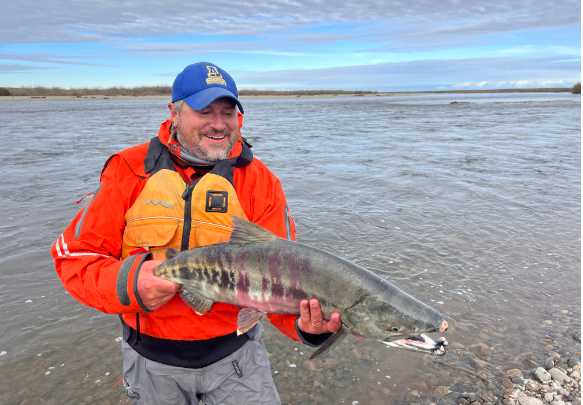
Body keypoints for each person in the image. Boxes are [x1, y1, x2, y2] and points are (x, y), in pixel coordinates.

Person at [51, 62, 341, 405]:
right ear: (175, 112)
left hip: (238, 360)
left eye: (227, 111)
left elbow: (281, 283)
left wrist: (308, 328)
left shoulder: (261, 182)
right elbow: (75, 259)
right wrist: (130, 281)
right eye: (205, 111)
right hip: (152, 364)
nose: (218, 124)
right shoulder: (128, 170)